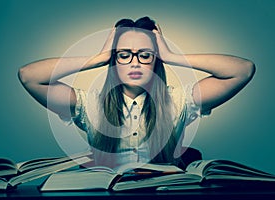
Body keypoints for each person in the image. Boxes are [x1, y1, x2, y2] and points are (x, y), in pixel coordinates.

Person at [18, 16, 255, 169]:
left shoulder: (179, 100)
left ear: (155, 61)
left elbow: (242, 70)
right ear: (115, 60)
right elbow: (29, 76)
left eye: (144, 54)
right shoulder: (89, 104)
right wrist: (99, 58)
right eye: (123, 54)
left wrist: (172, 56)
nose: (134, 62)